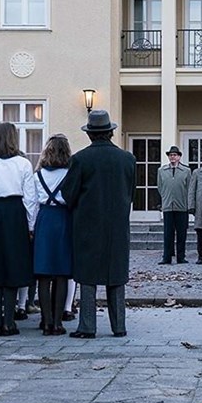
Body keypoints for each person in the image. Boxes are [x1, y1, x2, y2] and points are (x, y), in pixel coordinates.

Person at [61, 110, 136, 339]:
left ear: (90, 135)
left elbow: (69, 193)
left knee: (87, 276)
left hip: (87, 224)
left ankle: (87, 326)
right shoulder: (127, 159)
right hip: (117, 224)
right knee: (116, 275)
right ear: (111, 132)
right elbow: (130, 193)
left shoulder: (80, 159)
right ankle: (119, 325)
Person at [0, 122, 38, 336]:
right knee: (13, 264)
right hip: (15, 212)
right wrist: (31, 225)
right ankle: (9, 321)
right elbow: (30, 198)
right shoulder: (23, 163)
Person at [33, 134, 73, 335]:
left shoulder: (38, 175)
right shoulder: (69, 174)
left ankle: (46, 320)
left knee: (43, 274)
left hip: (44, 218)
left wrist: (31, 228)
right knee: (62, 273)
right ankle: (58, 322)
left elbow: (32, 203)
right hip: (63, 219)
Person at [156, 145, 191, 265]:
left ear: (179, 157)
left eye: (175, 155)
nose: (172, 157)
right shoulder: (162, 170)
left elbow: (189, 188)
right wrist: (165, 198)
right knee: (167, 233)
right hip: (167, 206)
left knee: (182, 233)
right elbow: (160, 187)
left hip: (182, 206)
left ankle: (181, 257)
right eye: (171, 155)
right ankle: (167, 257)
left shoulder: (186, 171)